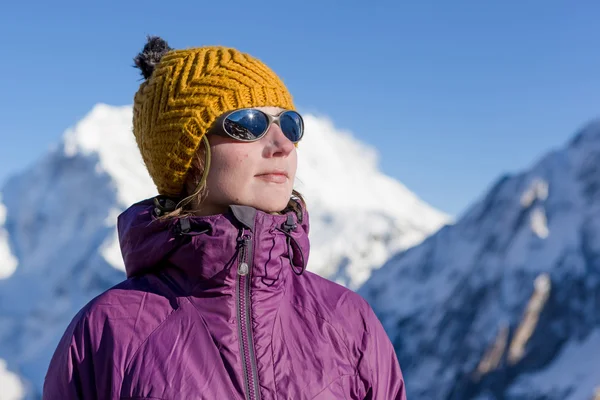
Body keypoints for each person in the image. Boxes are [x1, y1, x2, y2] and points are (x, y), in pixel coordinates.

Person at [43, 36, 406, 400]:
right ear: (189, 153)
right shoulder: (106, 333)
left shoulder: (349, 321)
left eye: (290, 125)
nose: (281, 145)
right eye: (248, 124)